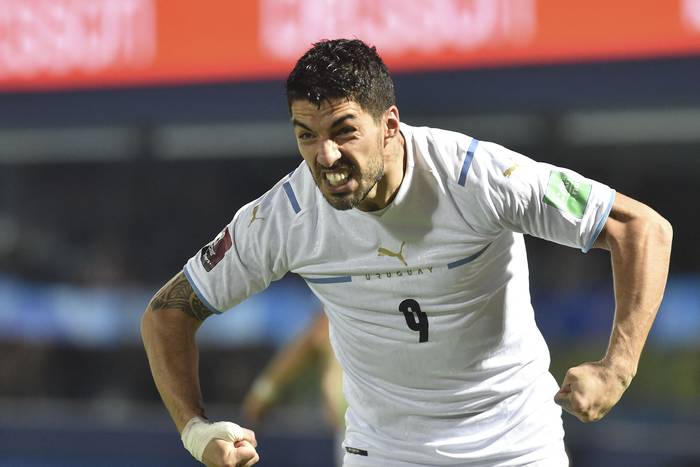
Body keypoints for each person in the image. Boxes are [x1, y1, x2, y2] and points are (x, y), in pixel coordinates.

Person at [141, 39, 672, 467]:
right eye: (306, 136)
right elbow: (168, 312)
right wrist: (196, 431)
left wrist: (616, 369)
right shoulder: (284, 216)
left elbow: (641, 228)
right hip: (384, 452)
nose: (325, 156)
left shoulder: (478, 176)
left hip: (516, 445)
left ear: (389, 124)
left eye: (343, 131)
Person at [242, 312, 346, 466]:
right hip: (352, 433)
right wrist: (264, 392)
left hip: (374, 431)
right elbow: (309, 341)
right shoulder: (339, 310)